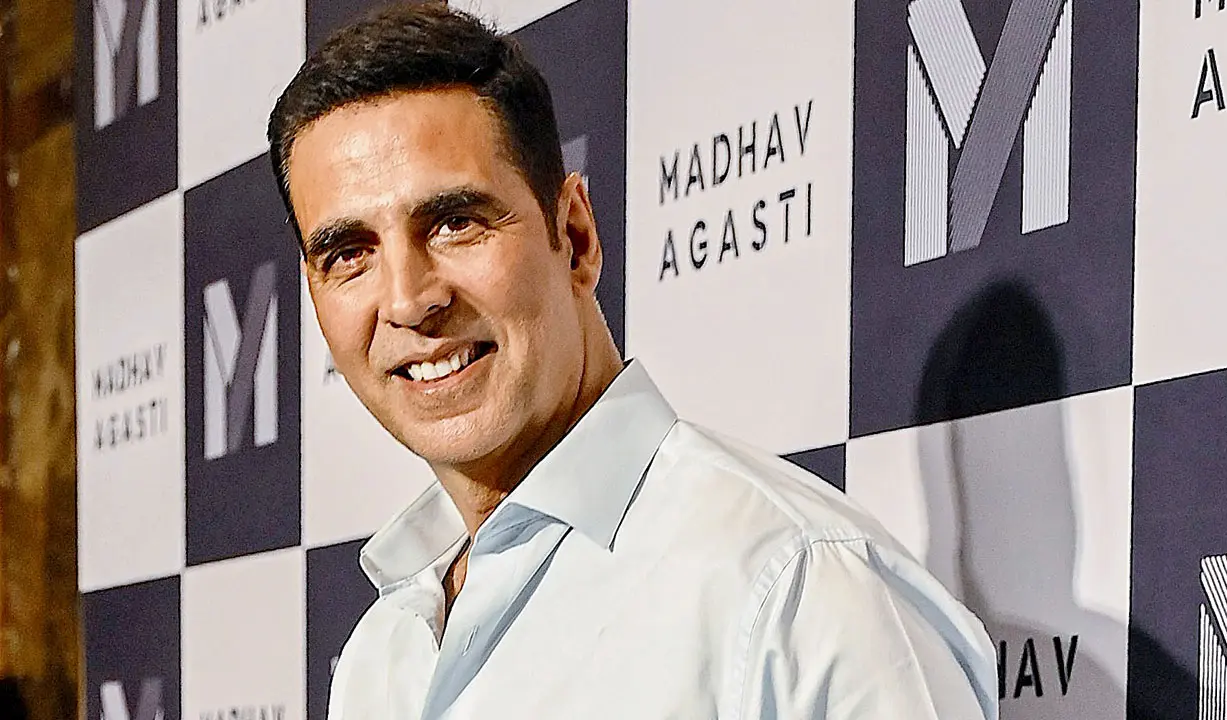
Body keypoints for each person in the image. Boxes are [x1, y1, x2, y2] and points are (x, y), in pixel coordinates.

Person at [267, 4, 996, 718]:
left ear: (575, 236)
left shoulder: (798, 591)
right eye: (348, 254)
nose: (408, 299)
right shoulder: (382, 652)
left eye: (455, 222)